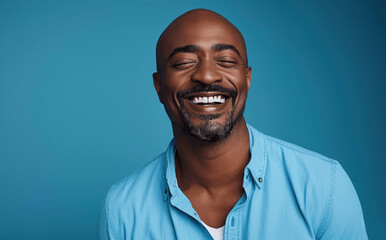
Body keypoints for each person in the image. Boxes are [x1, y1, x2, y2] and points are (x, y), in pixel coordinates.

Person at [99, 9, 367, 240]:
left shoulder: (324, 186)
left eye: (226, 61)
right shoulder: (122, 208)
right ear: (159, 86)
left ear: (247, 79)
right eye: (184, 62)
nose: (206, 75)